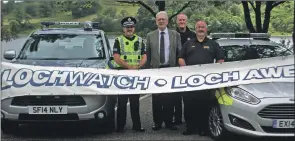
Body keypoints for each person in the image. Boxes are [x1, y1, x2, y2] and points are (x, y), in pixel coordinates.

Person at [178, 19, 225, 136]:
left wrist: (216, 70)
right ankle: (190, 128)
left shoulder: (213, 44)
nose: (200, 29)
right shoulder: (188, 43)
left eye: (202, 27)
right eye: (198, 27)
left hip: (206, 81)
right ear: (195, 29)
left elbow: (220, 59)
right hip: (190, 80)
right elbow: (181, 58)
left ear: (206, 29)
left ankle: (203, 128)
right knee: (189, 104)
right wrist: (185, 68)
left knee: (204, 104)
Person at [146, 11, 182, 131]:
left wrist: (178, 69)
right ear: (156, 21)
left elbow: (179, 53)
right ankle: (157, 122)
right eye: (159, 19)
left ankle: (169, 122)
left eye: (163, 19)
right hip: (155, 71)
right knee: (156, 98)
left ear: (167, 21)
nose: (161, 21)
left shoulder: (175, 35)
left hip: (170, 69)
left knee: (169, 98)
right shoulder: (150, 35)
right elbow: (148, 55)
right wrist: (147, 71)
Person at [111, 16, 146, 133]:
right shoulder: (118, 40)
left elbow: (144, 56)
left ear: (134, 28)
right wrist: (129, 67)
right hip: (122, 75)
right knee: (121, 102)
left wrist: (139, 66)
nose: (129, 29)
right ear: (123, 29)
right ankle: (120, 126)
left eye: (131, 27)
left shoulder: (140, 40)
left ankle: (137, 125)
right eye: (127, 27)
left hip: (135, 75)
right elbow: (116, 58)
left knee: (135, 102)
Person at [171, 13, 196, 125]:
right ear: (177, 21)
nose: (181, 21)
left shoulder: (193, 35)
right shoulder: (171, 34)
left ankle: (189, 119)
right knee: (175, 96)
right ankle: (176, 119)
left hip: (189, 69)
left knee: (188, 97)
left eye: (183, 20)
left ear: (186, 21)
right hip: (175, 68)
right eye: (179, 20)